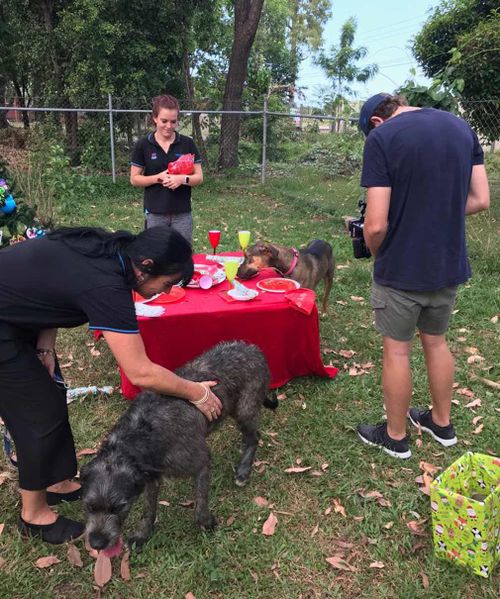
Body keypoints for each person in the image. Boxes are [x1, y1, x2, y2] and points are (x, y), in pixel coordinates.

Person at [0, 226, 222, 544]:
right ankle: (34, 515)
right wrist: (197, 392)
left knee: (51, 396)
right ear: (146, 266)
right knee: (36, 414)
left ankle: (57, 483)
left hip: (16, 314)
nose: (165, 291)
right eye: (167, 282)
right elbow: (140, 372)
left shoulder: (110, 252)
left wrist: (45, 345)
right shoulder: (107, 285)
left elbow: (47, 285)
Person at [356, 93, 490, 459]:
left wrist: (377, 251)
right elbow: (480, 199)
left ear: (376, 123)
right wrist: (434, 213)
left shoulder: (383, 139)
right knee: (437, 342)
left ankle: (396, 436)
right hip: (447, 264)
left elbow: (376, 223)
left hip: (401, 267)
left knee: (397, 351)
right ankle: (441, 423)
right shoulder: (462, 128)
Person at [130, 94, 203, 244]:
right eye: (164, 121)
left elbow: (199, 177)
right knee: (156, 254)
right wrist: (158, 177)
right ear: (155, 118)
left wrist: (182, 179)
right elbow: (134, 179)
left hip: (182, 213)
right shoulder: (143, 145)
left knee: (181, 254)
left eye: (173, 121)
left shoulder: (187, 144)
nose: (169, 126)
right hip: (155, 212)